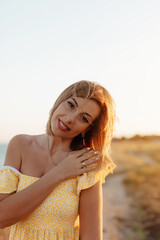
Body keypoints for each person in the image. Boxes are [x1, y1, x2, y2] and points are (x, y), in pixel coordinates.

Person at [0, 80, 117, 240]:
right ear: (60, 101)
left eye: (83, 118)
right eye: (70, 104)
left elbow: (91, 236)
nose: (70, 118)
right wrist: (58, 173)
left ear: (87, 129)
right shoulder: (20, 145)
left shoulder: (86, 162)